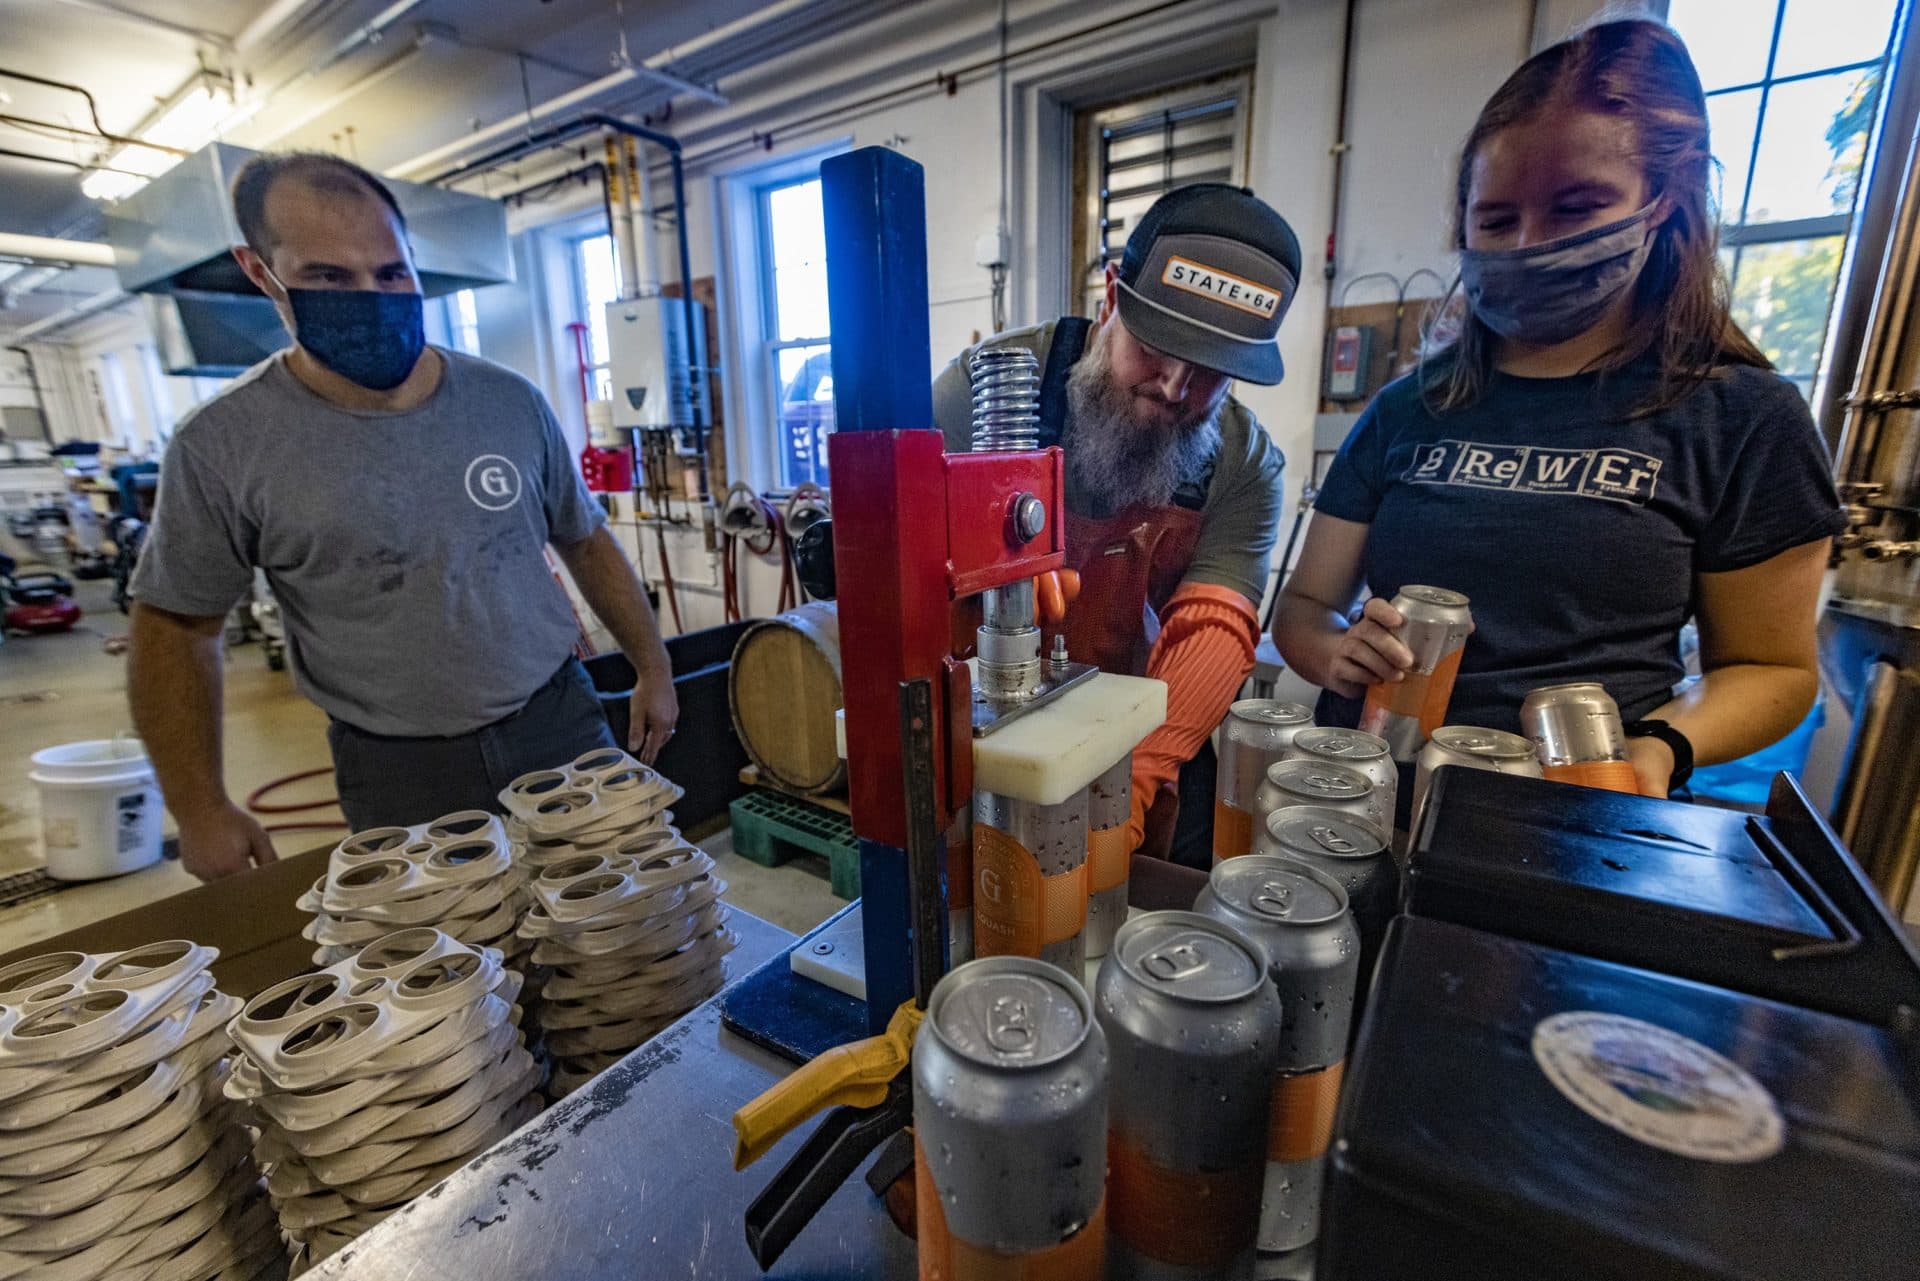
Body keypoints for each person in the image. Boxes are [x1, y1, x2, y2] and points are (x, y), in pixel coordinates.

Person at [1274, 19, 1844, 807]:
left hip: (1580, 808)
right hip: (1366, 800)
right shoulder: (1409, 409)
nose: (1527, 245)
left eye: (1577, 208)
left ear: (1663, 206)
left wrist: (1665, 745)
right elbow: (1304, 608)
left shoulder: (1744, 417)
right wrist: (1336, 654)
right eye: (1497, 220)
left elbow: (1774, 669)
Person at [128, 152, 678, 880]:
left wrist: (654, 666)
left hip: (557, 724)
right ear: (260, 271)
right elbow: (175, 629)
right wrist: (199, 808)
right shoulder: (224, 445)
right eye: (329, 276)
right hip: (398, 767)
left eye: (390, 273)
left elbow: (584, 538)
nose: (371, 295)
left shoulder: (507, 402)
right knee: (450, 973)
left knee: (615, 921)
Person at [932, 185, 1297, 864]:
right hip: (971, 743)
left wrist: (1124, 791)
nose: (1175, 386)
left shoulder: (1243, 463)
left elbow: (1213, 632)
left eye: (1212, 371)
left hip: (1127, 738)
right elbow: (907, 582)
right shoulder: (981, 396)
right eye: (1157, 345)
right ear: (1111, 298)